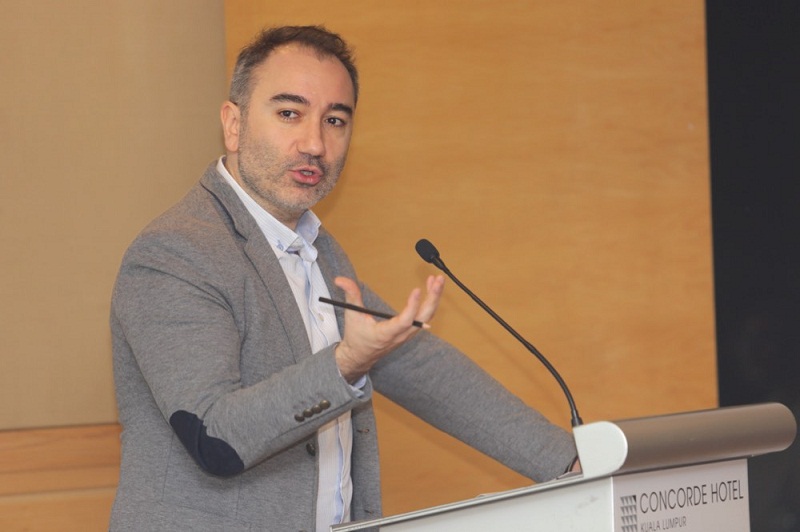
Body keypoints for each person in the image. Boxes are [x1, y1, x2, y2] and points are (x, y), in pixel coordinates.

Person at [109, 25, 577, 531]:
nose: (314, 143)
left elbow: (422, 370)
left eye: (335, 120)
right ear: (234, 124)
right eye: (289, 113)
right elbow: (215, 436)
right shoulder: (176, 252)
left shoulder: (316, 249)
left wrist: (571, 463)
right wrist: (345, 364)